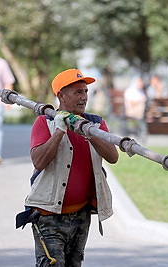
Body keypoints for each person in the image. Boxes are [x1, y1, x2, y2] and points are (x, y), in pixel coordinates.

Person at [19, 69, 118, 266]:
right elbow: (38, 162)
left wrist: (91, 133)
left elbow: (113, 156)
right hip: (48, 215)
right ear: (61, 96)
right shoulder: (44, 122)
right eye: (78, 92)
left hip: (81, 214)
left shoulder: (96, 123)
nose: (83, 98)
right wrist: (59, 132)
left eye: (85, 92)